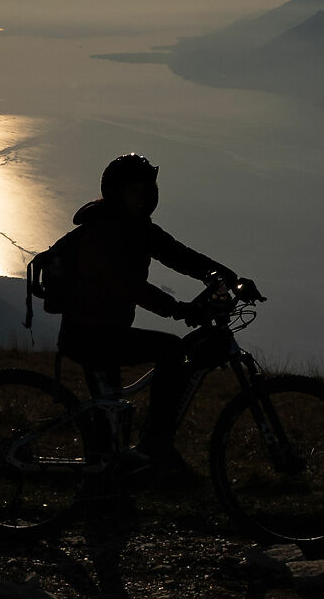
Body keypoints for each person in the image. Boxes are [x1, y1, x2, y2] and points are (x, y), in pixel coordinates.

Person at [52, 152, 259, 466]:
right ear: (117, 193)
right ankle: (155, 446)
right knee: (171, 351)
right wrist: (178, 309)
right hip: (89, 333)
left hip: (104, 330)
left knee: (111, 419)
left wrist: (229, 277)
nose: (146, 198)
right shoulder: (104, 231)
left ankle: (120, 473)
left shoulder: (138, 228)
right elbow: (127, 285)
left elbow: (180, 255)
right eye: (137, 191)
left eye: (150, 190)